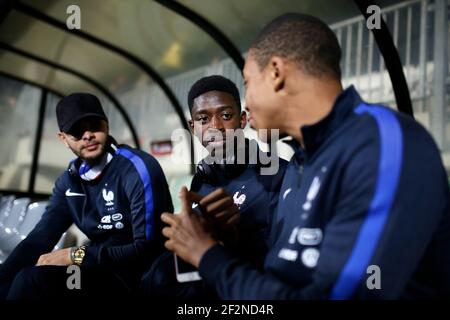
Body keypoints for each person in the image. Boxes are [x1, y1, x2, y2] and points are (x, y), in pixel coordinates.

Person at [160, 13, 450, 299]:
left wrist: (209, 256)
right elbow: (282, 272)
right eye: (203, 119)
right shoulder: (303, 160)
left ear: (276, 73)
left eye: (247, 83)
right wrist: (227, 241)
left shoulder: (381, 143)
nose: (246, 105)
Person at [0, 93, 173, 299]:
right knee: (17, 278)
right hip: (96, 270)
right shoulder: (69, 181)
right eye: (77, 130)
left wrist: (76, 255)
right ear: (63, 138)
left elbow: (147, 249)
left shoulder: (138, 169)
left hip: (138, 278)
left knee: (33, 280)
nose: (87, 134)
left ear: (106, 125)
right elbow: (39, 239)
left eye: (94, 125)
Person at [140, 75, 287, 299]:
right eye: (203, 119)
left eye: (226, 115)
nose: (215, 127)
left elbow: (282, 265)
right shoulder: (203, 178)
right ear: (193, 127)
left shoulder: (277, 174)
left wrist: (233, 237)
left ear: (242, 120)